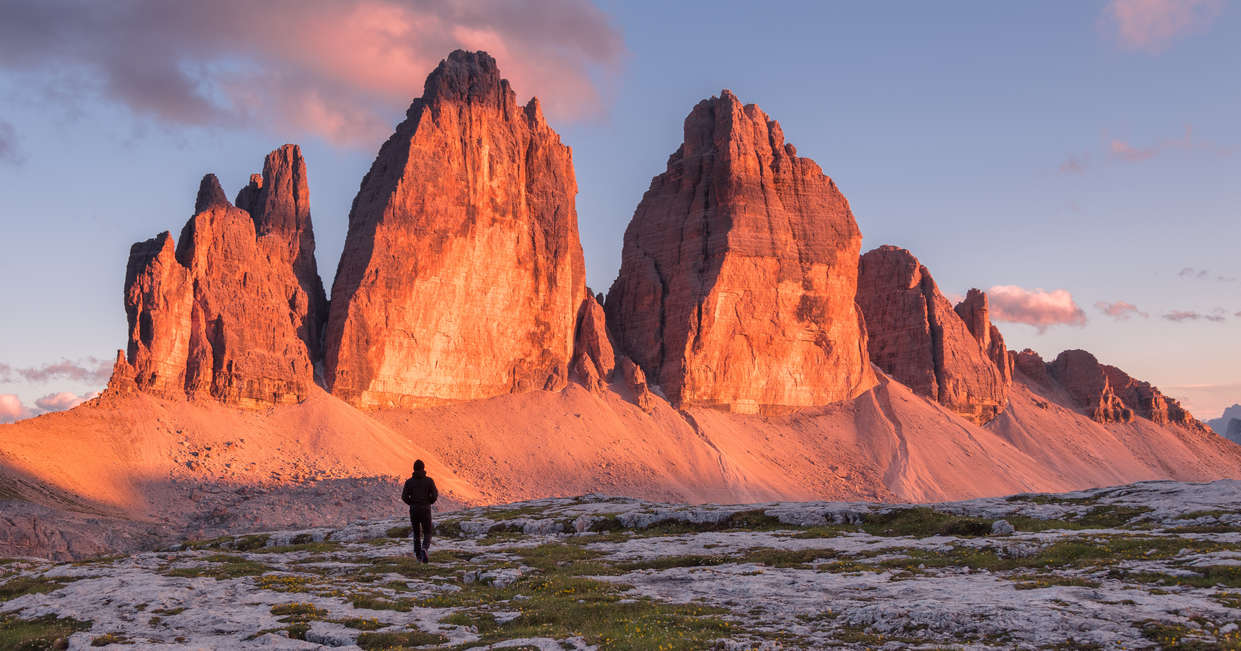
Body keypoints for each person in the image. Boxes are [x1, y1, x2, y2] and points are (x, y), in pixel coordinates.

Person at [400, 459, 438, 563]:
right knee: (427, 532)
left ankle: (418, 556)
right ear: (423, 468)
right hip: (425, 509)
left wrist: (412, 503)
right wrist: (429, 502)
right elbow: (434, 495)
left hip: (414, 510)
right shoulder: (429, 481)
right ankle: (424, 549)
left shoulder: (409, 482)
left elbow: (404, 497)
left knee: (416, 533)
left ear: (414, 469)